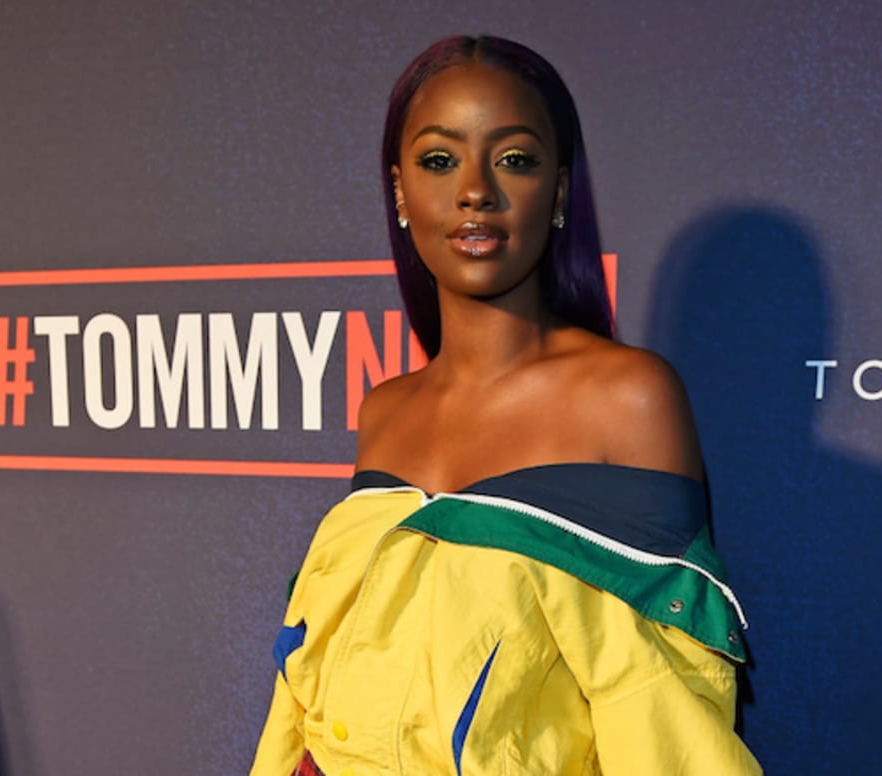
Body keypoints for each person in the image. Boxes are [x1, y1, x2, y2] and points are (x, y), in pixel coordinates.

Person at [251, 35, 761, 775]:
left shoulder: (627, 400)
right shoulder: (384, 411)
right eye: (439, 160)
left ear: (558, 191)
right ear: (399, 191)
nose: (475, 192)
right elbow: (307, 695)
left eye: (514, 159)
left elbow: (659, 716)